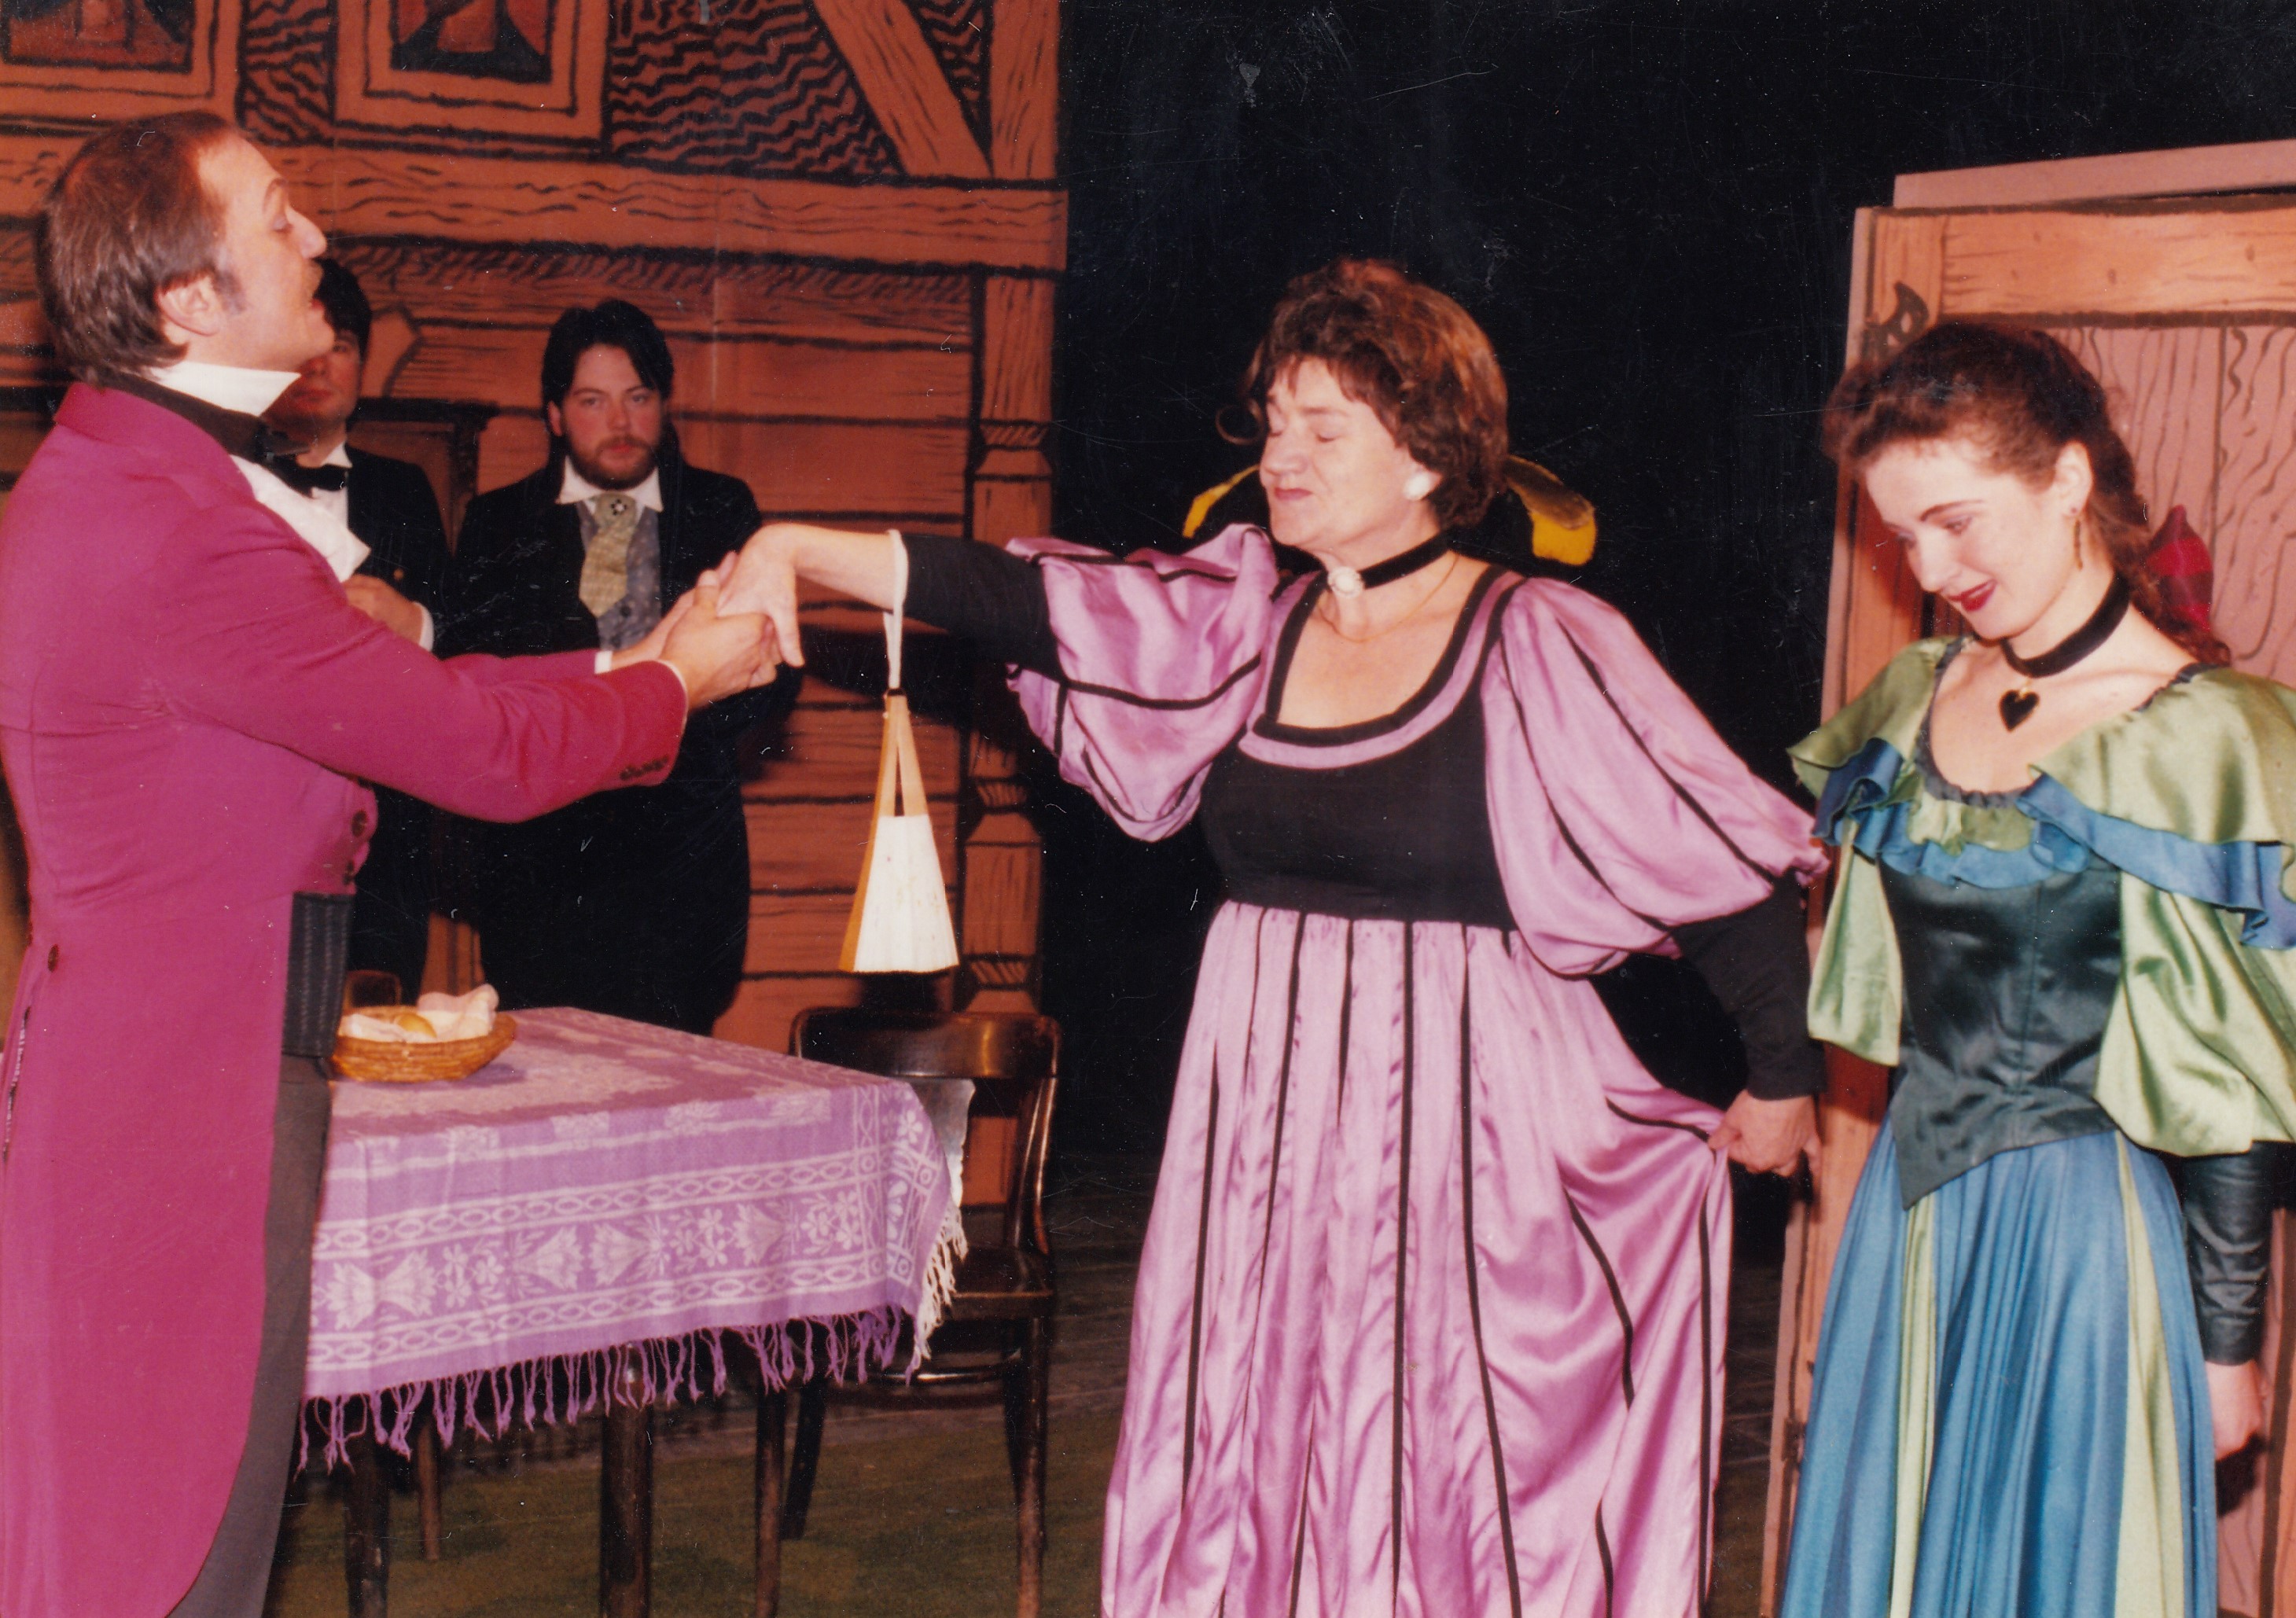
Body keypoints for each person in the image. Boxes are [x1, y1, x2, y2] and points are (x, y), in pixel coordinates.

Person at [725, 258, 1828, 1615]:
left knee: (1454, 1435)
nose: (1280, 459)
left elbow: (1716, 864)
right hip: (1265, 1124)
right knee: (1260, 1414)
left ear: (1427, 457)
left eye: (1324, 429)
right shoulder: (1243, 622)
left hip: (1478, 1133)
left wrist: (1782, 1075)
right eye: (1273, 425)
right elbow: (1028, 600)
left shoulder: (1540, 637)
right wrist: (797, 547)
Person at [0, 112, 779, 1617]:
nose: (318, 238)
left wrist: (634, 664)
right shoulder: (181, 528)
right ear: (188, 299)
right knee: (166, 1544)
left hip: (160, 1069)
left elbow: (414, 691)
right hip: (185, 1098)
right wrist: (672, 683)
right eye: (279, 214)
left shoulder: (126, 479)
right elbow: (471, 748)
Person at [1779, 322, 2296, 1617]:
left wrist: (2227, 1341)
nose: (1931, 569)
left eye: (1956, 522)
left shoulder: (2208, 741)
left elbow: (2233, 1089)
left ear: (2068, 478)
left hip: (2085, 1242)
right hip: (1910, 1217)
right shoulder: (1917, 696)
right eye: (1903, 537)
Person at [440, 300, 797, 1034]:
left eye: (639, 398)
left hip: (683, 866)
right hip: (541, 864)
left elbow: (772, 671)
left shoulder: (723, 510)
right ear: (554, 414)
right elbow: (474, 681)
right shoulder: (497, 523)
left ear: (664, 405)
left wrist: (673, 725)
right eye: (592, 401)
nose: (621, 422)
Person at [264, 256, 451, 998]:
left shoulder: (406, 490)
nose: (319, 365)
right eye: (305, 344)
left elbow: (462, 648)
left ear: (363, 368)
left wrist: (414, 622)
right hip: (261, 827)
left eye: (340, 346)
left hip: (385, 843)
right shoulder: (226, 482)